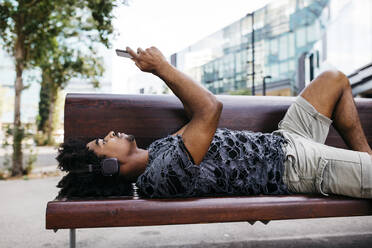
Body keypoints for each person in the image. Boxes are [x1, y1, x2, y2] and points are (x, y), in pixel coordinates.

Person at [56, 46, 372, 199]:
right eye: (102, 142)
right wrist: (161, 67)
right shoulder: (161, 176)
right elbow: (209, 108)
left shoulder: (159, 151)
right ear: (110, 167)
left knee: (334, 79)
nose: (108, 134)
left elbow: (198, 116)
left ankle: (364, 161)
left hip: (286, 139)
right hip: (296, 165)